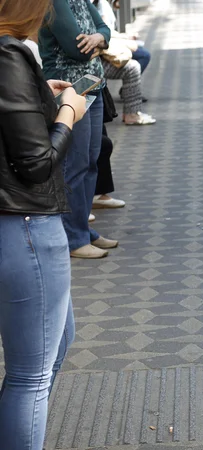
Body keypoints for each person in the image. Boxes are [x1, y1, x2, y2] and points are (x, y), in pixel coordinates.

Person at [0, 0, 88, 445]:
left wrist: (40, 101)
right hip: (25, 224)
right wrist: (69, 112)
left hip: (16, 225)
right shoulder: (8, 53)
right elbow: (36, 164)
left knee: (57, 342)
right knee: (30, 376)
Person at [39, 0, 119, 258]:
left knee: (91, 161)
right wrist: (98, 45)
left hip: (93, 85)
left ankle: (83, 229)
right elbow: (78, 51)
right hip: (69, 89)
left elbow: (105, 29)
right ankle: (73, 238)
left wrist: (99, 38)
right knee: (74, 165)